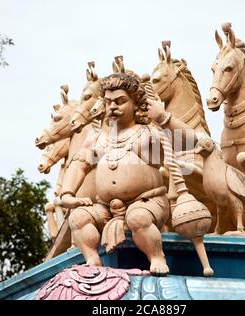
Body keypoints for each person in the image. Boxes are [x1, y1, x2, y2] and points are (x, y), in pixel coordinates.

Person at [58, 73, 170, 276]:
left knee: (138, 218)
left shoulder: (147, 132)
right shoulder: (98, 137)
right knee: (79, 218)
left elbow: (184, 145)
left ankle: (156, 256)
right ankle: (92, 259)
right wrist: (67, 193)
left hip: (146, 201)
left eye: (120, 101)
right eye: (108, 102)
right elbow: (80, 163)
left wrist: (163, 118)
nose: (112, 107)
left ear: (136, 104)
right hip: (106, 207)